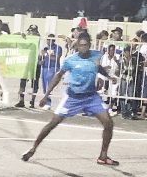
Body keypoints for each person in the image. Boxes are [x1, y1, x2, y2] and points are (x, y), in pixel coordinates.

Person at [22, 32, 119, 166]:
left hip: (91, 97)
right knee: (52, 124)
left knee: (108, 123)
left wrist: (108, 76)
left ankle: (103, 156)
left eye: (86, 45)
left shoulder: (96, 55)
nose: (83, 48)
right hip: (72, 97)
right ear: (77, 46)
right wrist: (46, 95)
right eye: (81, 45)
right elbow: (58, 75)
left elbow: (98, 68)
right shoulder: (70, 60)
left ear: (89, 45)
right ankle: (33, 149)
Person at [15, 25, 41, 108]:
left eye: (32, 31)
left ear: (36, 31)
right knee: (22, 81)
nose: (30, 33)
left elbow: (38, 47)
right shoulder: (26, 38)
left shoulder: (38, 39)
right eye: (29, 31)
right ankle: (21, 100)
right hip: (26, 62)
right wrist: (22, 35)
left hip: (35, 63)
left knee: (34, 83)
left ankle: (32, 101)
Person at [39, 34, 63, 110]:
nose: (48, 41)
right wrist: (40, 61)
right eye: (47, 40)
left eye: (50, 40)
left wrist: (46, 54)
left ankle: (48, 103)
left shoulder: (58, 48)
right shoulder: (45, 48)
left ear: (53, 40)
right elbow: (40, 58)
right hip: (45, 67)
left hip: (53, 67)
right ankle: (46, 101)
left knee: (49, 84)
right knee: (44, 85)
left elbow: (56, 58)